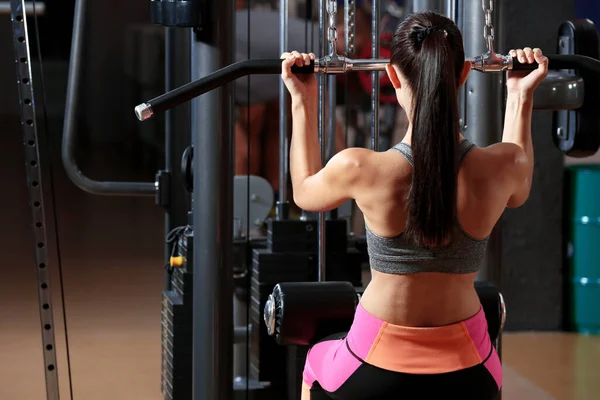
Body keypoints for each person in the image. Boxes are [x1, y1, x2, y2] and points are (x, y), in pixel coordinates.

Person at [280, 11, 548, 400]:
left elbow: (304, 191)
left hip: (374, 366)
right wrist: (521, 94)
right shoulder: (503, 168)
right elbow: (519, 184)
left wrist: (302, 98)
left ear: (392, 76)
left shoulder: (361, 167)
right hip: (470, 372)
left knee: (317, 359)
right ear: (464, 74)